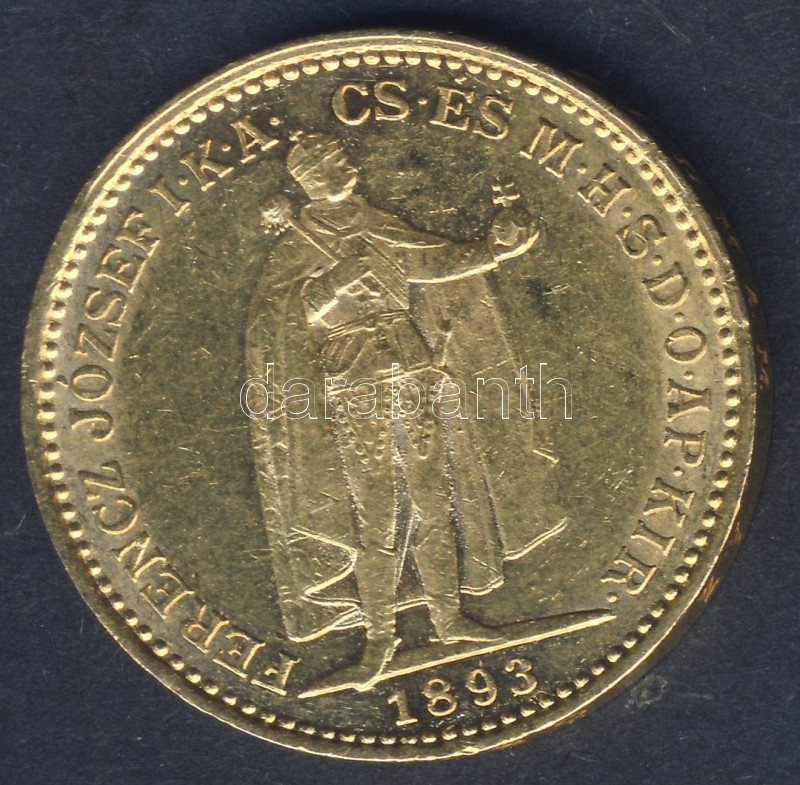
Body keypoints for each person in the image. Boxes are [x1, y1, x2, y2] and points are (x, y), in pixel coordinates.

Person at [245, 131, 563, 687]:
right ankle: (378, 641)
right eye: (330, 161)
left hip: (413, 371)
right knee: (376, 518)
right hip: (354, 384)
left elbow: (433, 263)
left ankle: (449, 620)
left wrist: (495, 250)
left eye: (342, 155)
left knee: (435, 502)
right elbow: (277, 324)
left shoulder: (379, 225)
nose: (345, 163)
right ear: (308, 180)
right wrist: (333, 285)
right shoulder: (296, 246)